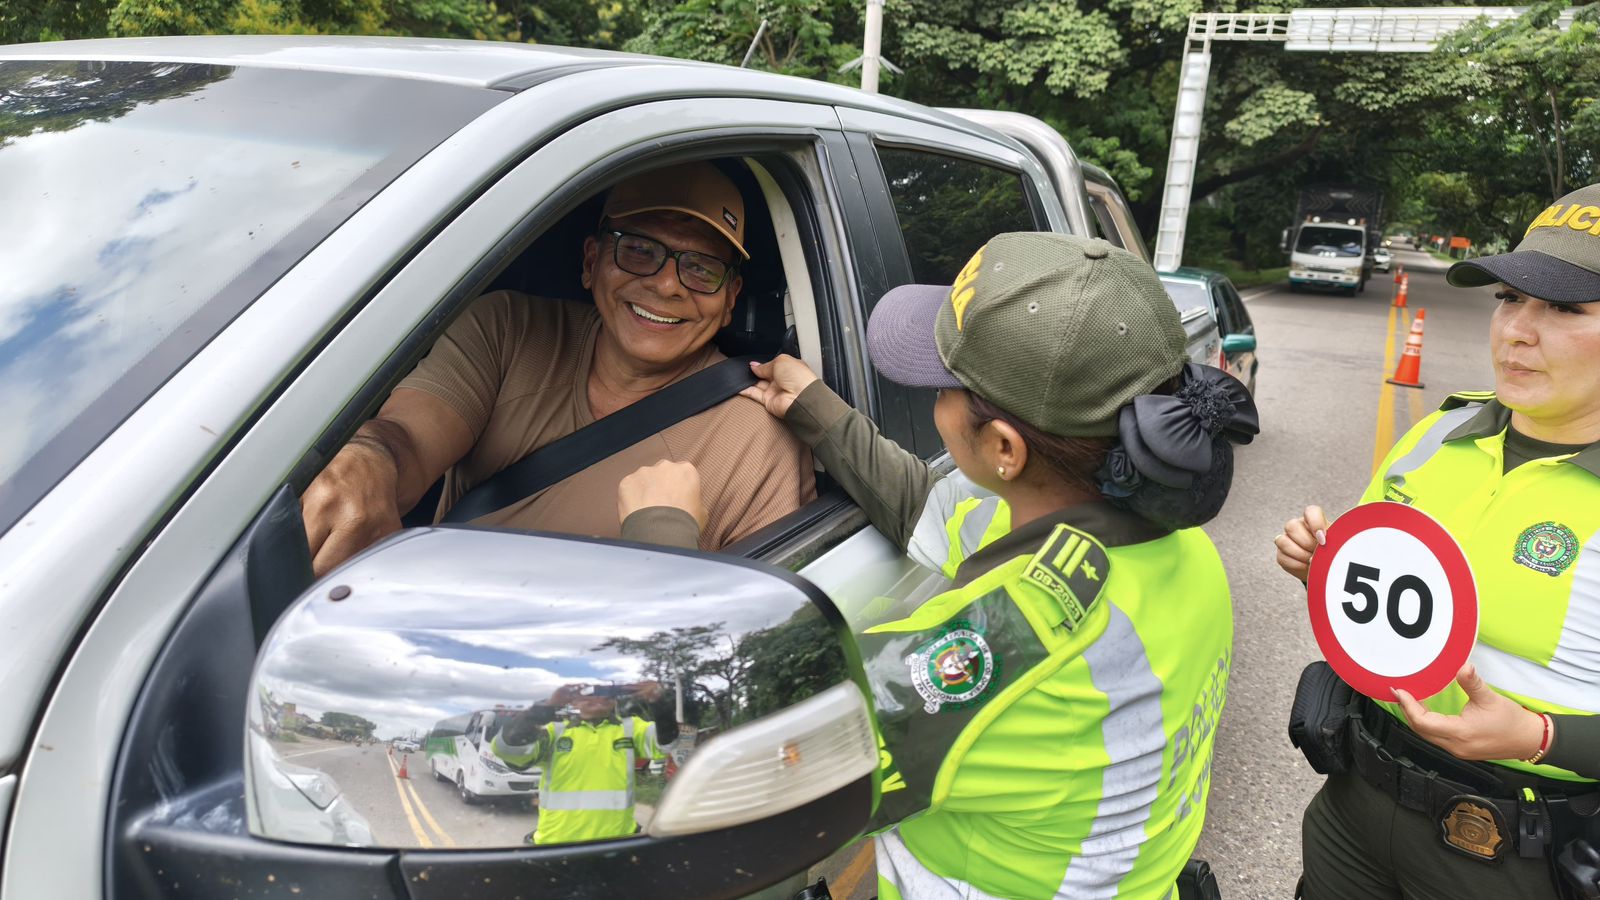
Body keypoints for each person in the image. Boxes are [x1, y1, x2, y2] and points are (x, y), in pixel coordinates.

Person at [633, 232, 1257, 897]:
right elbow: (934, 508)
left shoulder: (1003, 649)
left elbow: (716, 770)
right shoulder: (1176, 541)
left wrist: (661, 539)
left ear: (1003, 449)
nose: (931, 398)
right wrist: (816, 410)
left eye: (941, 383)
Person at [1276, 183, 1600, 899]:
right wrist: (1321, 566)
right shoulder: (1438, 434)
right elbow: (1390, 594)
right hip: (1355, 801)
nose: (1517, 329)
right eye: (1509, 298)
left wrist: (1541, 738)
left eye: (1564, 308)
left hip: (1516, 848)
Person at [300, 161, 814, 575]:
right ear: (592, 262)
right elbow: (407, 438)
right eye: (639, 250)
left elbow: (742, 633)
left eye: (701, 268)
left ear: (730, 300)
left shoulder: (758, 440)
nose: (667, 285)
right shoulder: (507, 329)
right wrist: (369, 459)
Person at [491, 682, 674, 846]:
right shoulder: (555, 731)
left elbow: (667, 742)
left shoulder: (631, 727)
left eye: (607, 692)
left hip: (618, 842)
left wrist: (658, 702)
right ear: (574, 702)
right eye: (591, 692)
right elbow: (507, 749)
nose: (600, 696)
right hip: (556, 844)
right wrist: (546, 707)